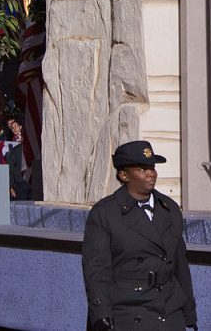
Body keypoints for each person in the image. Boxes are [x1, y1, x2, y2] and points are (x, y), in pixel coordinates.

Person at [82, 141, 197, 331]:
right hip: (128, 310)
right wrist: (101, 313)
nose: (151, 173)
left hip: (169, 308)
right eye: (142, 169)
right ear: (124, 175)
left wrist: (189, 312)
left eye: (152, 167)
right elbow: (96, 269)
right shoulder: (106, 213)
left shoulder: (169, 208)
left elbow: (179, 264)